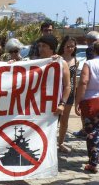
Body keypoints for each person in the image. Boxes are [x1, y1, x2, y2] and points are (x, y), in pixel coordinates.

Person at [75, 41, 99, 173]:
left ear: (94, 50)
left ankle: (93, 162)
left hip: (91, 100)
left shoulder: (89, 64)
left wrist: (77, 101)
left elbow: (83, 81)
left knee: (92, 132)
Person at [37, 34, 71, 119]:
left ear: (52, 47)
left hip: (53, 107)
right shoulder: (36, 62)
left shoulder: (61, 63)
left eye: (44, 46)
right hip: (36, 106)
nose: (40, 49)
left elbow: (67, 86)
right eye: (39, 46)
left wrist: (62, 104)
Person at [57, 36, 78, 153]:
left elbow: (74, 80)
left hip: (69, 94)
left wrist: (75, 95)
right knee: (55, 120)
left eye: (72, 46)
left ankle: (61, 143)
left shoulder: (75, 60)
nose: (69, 48)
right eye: (67, 46)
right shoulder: (58, 58)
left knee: (64, 120)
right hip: (57, 92)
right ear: (63, 46)